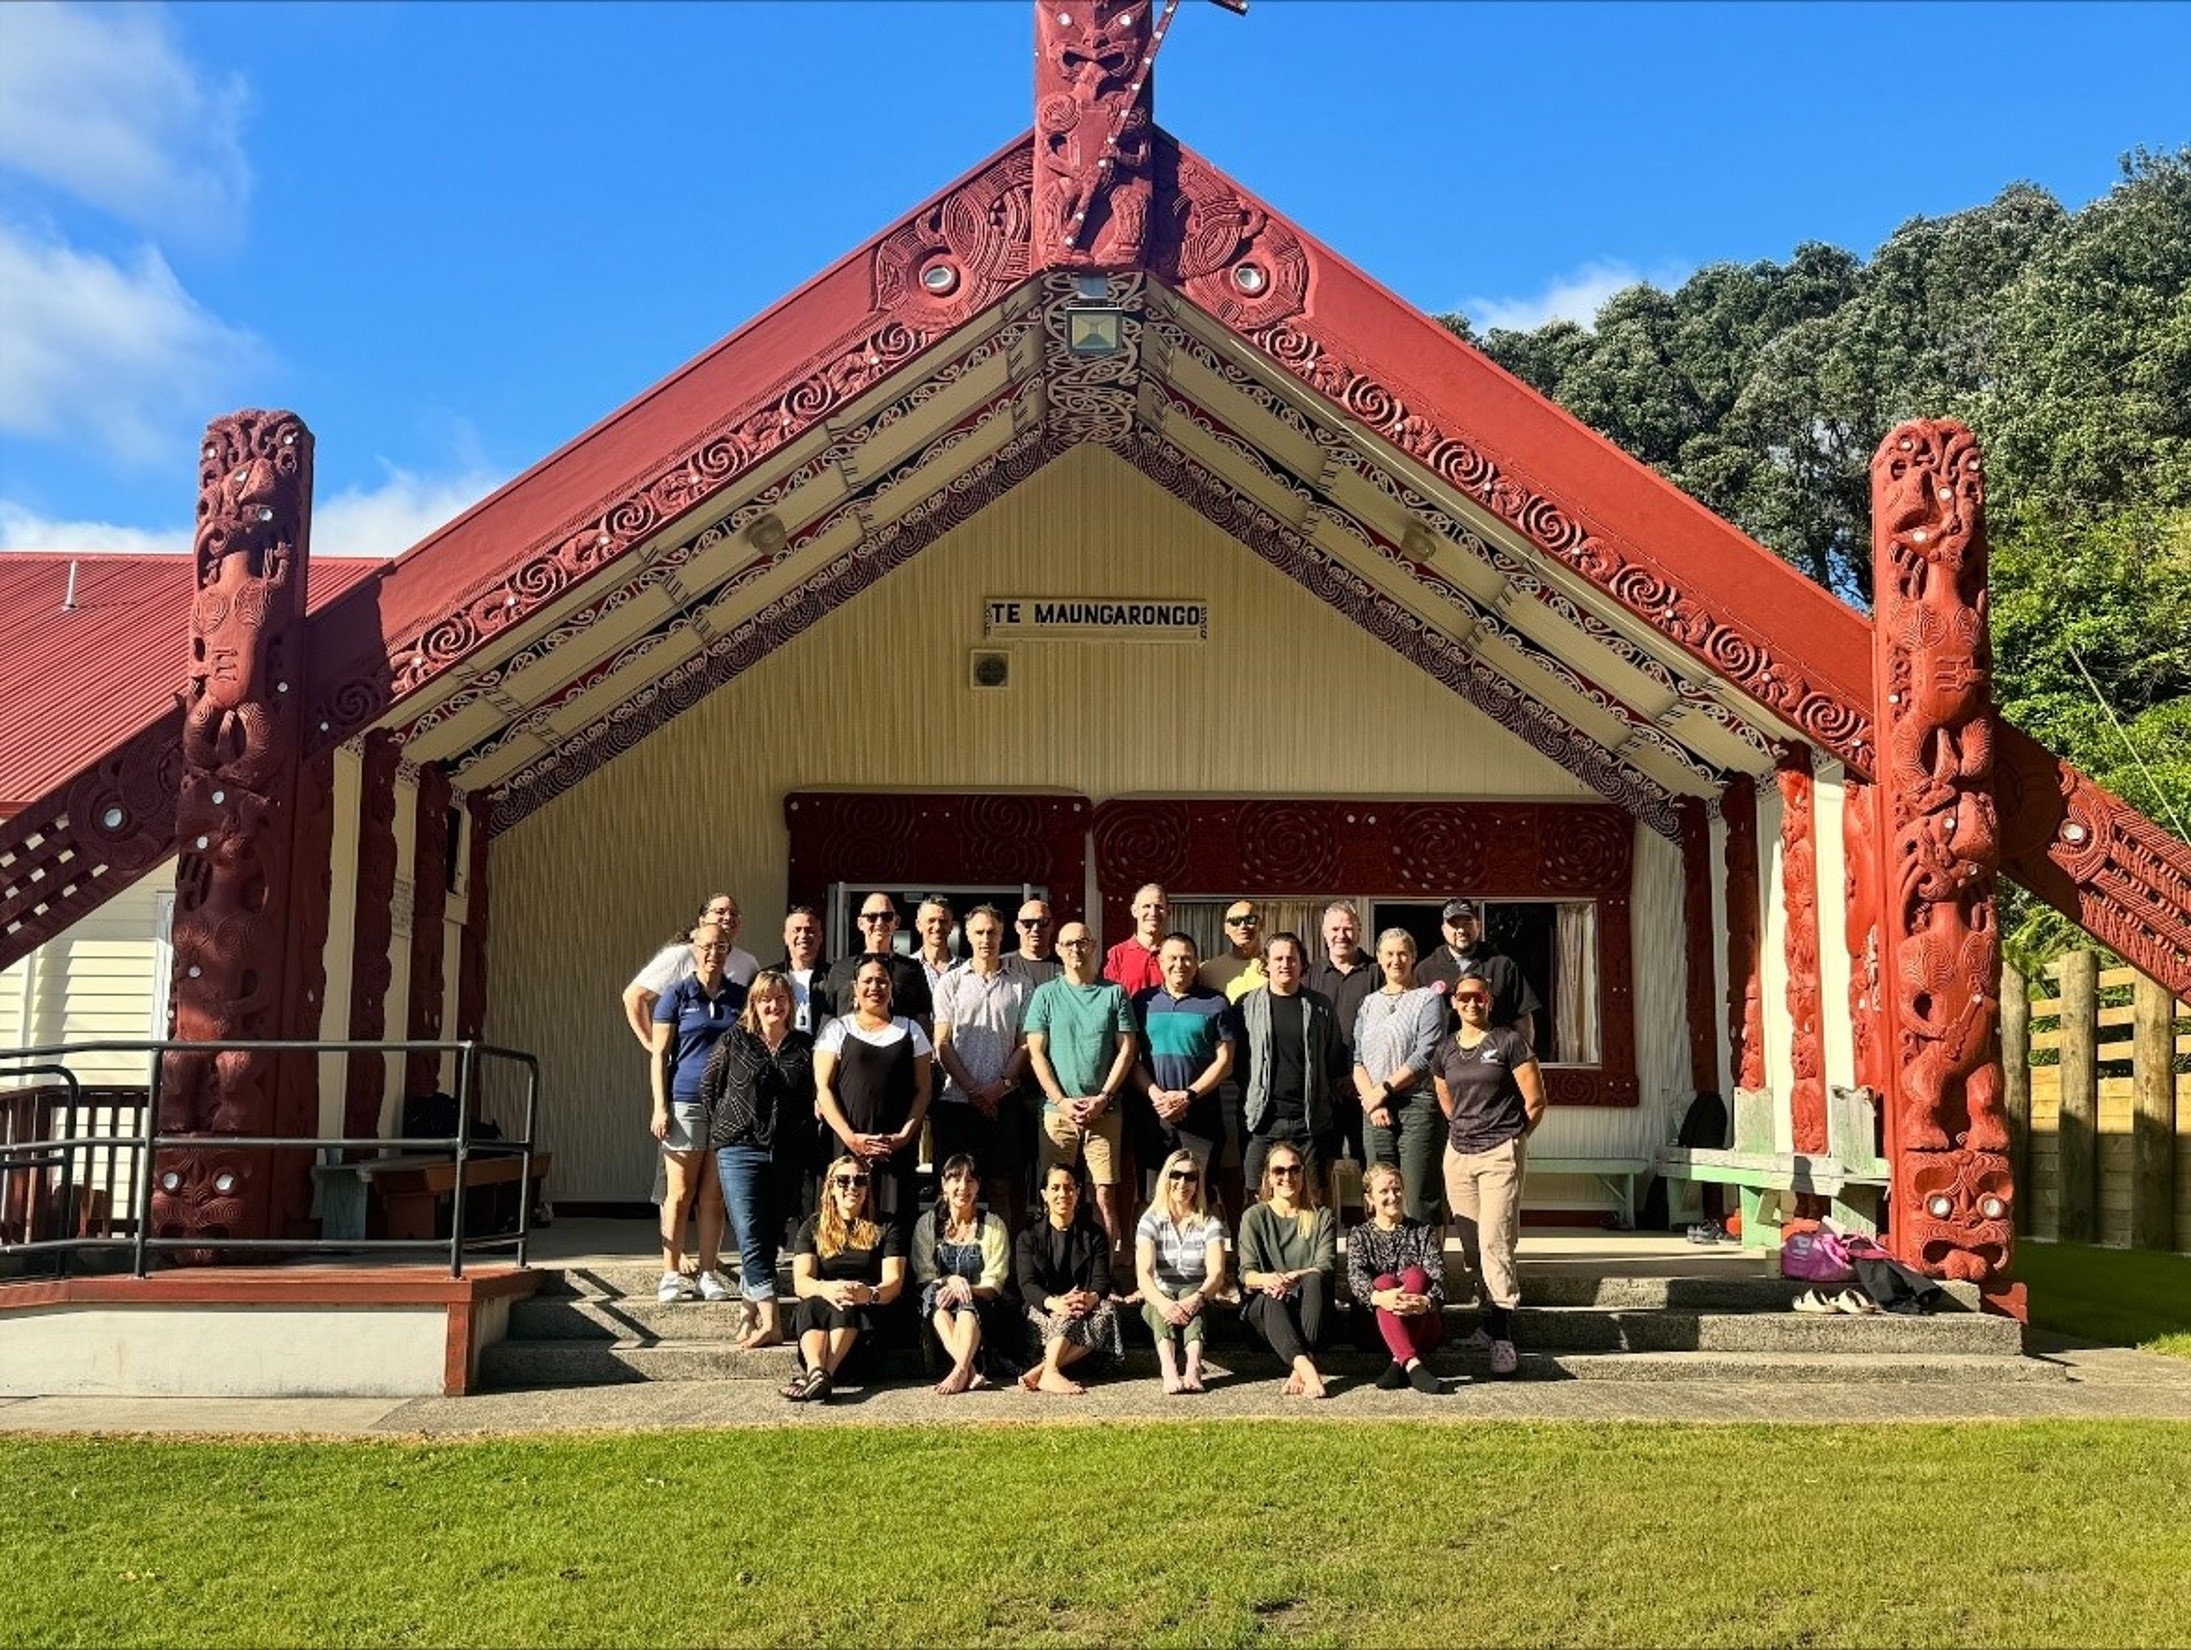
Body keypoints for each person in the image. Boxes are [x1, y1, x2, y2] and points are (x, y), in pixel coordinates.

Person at [1435, 975, 1547, 1378]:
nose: (1470, 1003)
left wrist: (1511, 1141)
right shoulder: (1445, 1049)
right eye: (1462, 997)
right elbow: (1447, 1099)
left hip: (1500, 1153)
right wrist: (1467, 1131)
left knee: (1495, 1242)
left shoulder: (1509, 1042)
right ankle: (1485, 1324)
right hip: (1460, 1156)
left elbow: (1536, 1102)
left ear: (1489, 1000)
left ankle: (1503, 1338)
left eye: (1477, 996)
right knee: (1471, 1248)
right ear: (1453, 1003)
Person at [702, 969, 813, 1349]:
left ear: (790, 1004)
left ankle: (748, 1312)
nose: (773, 1005)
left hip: (786, 1150)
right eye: (766, 998)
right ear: (754, 1002)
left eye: (781, 998)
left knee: (769, 1235)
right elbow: (709, 1088)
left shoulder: (803, 1046)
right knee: (749, 1231)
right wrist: (730, 1125)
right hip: (739, 1147)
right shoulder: (735, 1040)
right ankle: (772, 1321)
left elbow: (809, 1096)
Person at [1024, 922, 1137, 1255]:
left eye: (1082, 942)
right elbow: (1036, 1052)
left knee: (1104, 1194)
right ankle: (1055, 1265)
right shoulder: (1045, 994)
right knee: (1056, 1193)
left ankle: (1106, 1270)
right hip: (1057, 1113)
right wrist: (1060, 1100)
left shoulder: (1114, 993)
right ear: (1058, 949)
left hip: (1105, 1111)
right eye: (1068, 943)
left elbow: (1128, 1050)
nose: (1076, 949)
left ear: (1093, 946)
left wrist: (1104, 1097)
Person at [646, 921, 745, 1303]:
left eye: (720, 947)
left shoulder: (739, 996)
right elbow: (659, 1055)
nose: (712, 953)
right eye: (706, 946)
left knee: (713, 1196)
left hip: (725, 1105)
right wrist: (660, 1106)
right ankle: (671, 1273)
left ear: (728, 951)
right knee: (679, 1192)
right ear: (693, 948)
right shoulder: (677, 994)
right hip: (685, 1101)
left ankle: (708, 1272)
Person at [931, 904, 1036, 1227]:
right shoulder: (950, 983)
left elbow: (1025, 1043)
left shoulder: (1021, 984)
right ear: (968, 936)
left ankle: (1001, 1266)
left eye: (992, 932)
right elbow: (942, 1043)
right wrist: (975, 1090)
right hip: (957, 1102)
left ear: (1003, 934)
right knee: (955, 1188)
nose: (986, 938)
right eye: (979, 932)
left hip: (1004, 1101)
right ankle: (949, 1261)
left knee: (1002, 1186)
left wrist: (998, 1087)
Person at [815, 958, 934, 1238]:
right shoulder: (837, 1030)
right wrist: (850, 1137)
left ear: (891, 989)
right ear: (855, 989)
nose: (875, 987)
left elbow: (923, 1089)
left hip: (894, 1148)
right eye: (867, 981)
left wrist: (904, 1136)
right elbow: (823, 1088)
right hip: (845, 1146)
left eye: (882, 981)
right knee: (846, 1213)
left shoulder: (911, 1031)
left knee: (894, 1221)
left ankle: (894, 1278)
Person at [785, 1156, 906, 1402]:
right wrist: (826, 1288)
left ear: (867, 1187)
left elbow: (893, 1283)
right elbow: (801, 1282)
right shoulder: (812, 1226)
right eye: (843, 1180)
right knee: (810, 1304)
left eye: (860, 1181)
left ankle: (819, 1377)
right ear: (830, 1187)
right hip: (823, 1317)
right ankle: (819, 1373)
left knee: (848, 1305)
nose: (852, 1187)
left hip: (867, 1324)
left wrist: (869, 1294)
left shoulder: (886, 1225)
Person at [1234, 933, 1346, 1193]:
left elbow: (1333, 1059)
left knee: (1313, 1197)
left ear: (1301, 963)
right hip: (1261, 1120)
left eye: (1291, 959)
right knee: (1256, 1194)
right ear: (1267, 964)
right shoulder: (1246, 1005)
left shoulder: (1320, 1006)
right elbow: (1238, 1061)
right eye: (1278, 958)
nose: (1285, 964)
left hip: (1309, 1120)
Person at [1129, 933, 1235, 1205]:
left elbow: (1224, 1062)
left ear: (1197, 962)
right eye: (1173, 958)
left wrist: (1187, 1095)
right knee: (1153, 1196)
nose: (1180, 964)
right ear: (1160, 962)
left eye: (1187, 958)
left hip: (1201, 1113)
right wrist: (1157, 1096)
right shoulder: (1142, 1002)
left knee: (1199, 1194)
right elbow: (1132, 1058)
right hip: (1153, 1114)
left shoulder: (1216, 1002)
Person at [1352, 928, 1447, 1224]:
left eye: (1403, 953)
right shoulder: (1369, 1004)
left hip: (1417, 1105)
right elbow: (1357, 1060)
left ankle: (1422, 1267)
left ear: (1414, 958)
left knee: (1417, 1196)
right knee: (1381, 1190)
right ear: (1379, 958)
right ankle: (1384, 1267)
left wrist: (1384, 1090)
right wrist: (1374, 1101)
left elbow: (1425, 1054)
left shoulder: (1427, 999)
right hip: (1375, 1110)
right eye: (1390, 953)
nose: (1396, 960)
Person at [1236, 1142, 1337, 1398]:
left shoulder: (1321, 1216)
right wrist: (1269, 1279)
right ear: (1268, 1178)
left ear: (1304, 1173)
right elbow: (1246, 1273)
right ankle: (1308, 1368)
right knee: (1273, 1293)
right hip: (1268, 1317)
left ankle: (1299, 1365)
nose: (1287, 1177)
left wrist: (1295, 1275)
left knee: (1315, 1278)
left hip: (1310, 1314)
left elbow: (1326, 1265)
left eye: (1294, 1169)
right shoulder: (1254, 1216)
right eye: (1278, 1171)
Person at [1013, 1163, 1121, 1395]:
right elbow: (1027, 1285)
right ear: (1044, 1194)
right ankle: (1051, 1371)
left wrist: (1089, 1299)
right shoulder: (1028, 1238)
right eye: (1055, 1188)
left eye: (1069, 1188)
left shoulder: (1094, 1235)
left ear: (1078, 1192)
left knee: (1107, 1312)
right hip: (1043, 1312)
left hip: (1083, 1313)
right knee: (1065, 1313)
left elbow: (1101, 1281)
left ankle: (1047, 1369)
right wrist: (1054, 1303)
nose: (1063, 1194)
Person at [911, 1153, 1012, 1394]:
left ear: (978, 1186)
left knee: (967, 1308)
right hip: (939, 1303)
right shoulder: (928, 1223)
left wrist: (966, 1289)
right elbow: (924, 1275)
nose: (962, 1187)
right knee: (937, 1302)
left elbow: (994, 1282)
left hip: (980, 1305)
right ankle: (971, 1369)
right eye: (955, 1179)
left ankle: (960, 1370)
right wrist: (949, 1281)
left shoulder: (993, 1225)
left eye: (970, 1181)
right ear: (944, 1185)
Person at [1345, 1162, 1446, 1394]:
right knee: (1383, 1284)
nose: (1393, 1196)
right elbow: (1356, 1277)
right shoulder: (1359, 1235)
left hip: (1424, 1325)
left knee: (1416, 1275)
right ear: (1369, 1199)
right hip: (1373, 1330)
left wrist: (1426, 1302)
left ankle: (1399, 1361)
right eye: (1384, 1191)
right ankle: (1411, 1363)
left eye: (1397, 1189)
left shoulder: (1423, 1232)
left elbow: (1440, 1278)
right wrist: (1380, 1298)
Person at [1133, 1148, 1227, 1395]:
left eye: (1191, 1176)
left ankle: (1193, 1367)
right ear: (1166, 1178)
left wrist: (1196, 1299)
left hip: (1200, 1304)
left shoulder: (1210, 1223)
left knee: (1188, 1289)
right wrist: (1165, 1304)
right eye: (1176, 1175)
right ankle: (1169, 1368)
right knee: (1156, 1301)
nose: (1183, 1183)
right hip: (1160, 1305)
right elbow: (1144, 1274)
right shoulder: (1150, 1221)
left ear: (1198, 1183)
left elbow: (1216, 1275)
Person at [623, 893, 760, 1048]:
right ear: (702, 921)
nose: (728, 917)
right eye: (720, 912)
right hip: (688, 1062)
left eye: (734, 913)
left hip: (732, 1062)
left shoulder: (748, 963)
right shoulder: (681, 955)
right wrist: (652, 1045)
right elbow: (633, 996)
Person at [770, 904, 831, 1233]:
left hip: (820, 1079)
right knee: (780, 1163)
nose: (803, 936)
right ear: (786, 936)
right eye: (797, 930)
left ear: (820, 937)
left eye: (810, 930)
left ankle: (813, 1237)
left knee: (815, 1165)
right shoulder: (770, 977)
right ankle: (777, 1237)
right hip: (780, 1081)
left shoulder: (833, 978)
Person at [1415, 899, 1540, 1050]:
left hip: (1494, 1063)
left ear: (1478, 926)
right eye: (1454, 924)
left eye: (1467, 922)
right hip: (1444, 1065)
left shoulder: (1502, 966)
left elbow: (1522, 1019)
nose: (1461, 930)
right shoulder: (1425, 969)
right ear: (1443, 929)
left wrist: (1523, 1061)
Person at [1311, 900, 1381, 1162]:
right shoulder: (1309, 974)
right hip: (1322, 1091)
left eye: (1348, 929)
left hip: (1368, 1089)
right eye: (1335, 929)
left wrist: (1358, 1081)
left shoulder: (1377, 972)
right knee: (1321, 1169)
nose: (1342, 935)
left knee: (1373, 1168)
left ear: (1359, 931)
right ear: (1324, 932)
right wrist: (1327, 1082)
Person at [821, 893, 934, 1026]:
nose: (879, 922)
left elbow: (923, 1021)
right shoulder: (840, 970)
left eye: (887, 916)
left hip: (898, 1044)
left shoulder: (912, 969)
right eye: (872, 917)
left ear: (896, 922)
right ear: (860, 923)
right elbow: (828, 1020)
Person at [1102, 882, 1169, 997]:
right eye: (1146, 906)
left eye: (1159, 907)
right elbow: (1108, 1000)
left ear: (1168, 912)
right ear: (1134, 911)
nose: (1153, 913)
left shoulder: (1177, 954)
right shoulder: (1118, 955)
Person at [1199, 899, 1265, 1001]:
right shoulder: (1207, 971)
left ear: (1261, 925)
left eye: (1250, 920)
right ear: (1226, 928)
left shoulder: (1276, 967)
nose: (1243, 926)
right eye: (1235, 922)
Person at [914, 896, 957, 1001]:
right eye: (931, 921)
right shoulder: (907, 967)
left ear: (951, 926)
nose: (937, 927)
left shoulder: (966, 969)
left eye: (943, 921)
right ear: (918, 925)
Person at [1014, 898, 1062, 984]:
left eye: (1042, 922)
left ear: (1052, 926)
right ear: (1017, 927)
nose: (1035, 928)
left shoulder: (1066, 967)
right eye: (1028, 923)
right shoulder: (1003, 967)